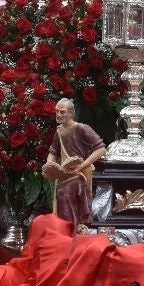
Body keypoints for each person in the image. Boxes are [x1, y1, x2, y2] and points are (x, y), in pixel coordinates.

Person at [41, 98, 105, 230]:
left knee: (64, 194)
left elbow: (101, 149)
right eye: (57, 112)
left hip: (78, 174)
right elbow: (53, 152)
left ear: (71, 113)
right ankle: (67, 230)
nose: (59, 115)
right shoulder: (58, 131)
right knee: (61, 194)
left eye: (62, 112)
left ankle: (71, 230)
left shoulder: (82, 128)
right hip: (63, 174)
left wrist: (82, 165)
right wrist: (49, 166)